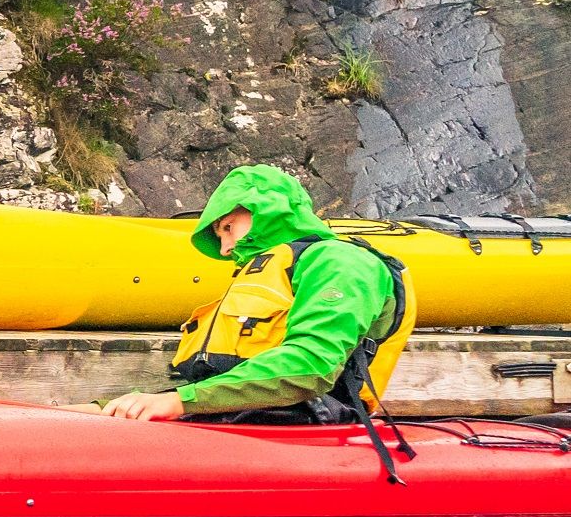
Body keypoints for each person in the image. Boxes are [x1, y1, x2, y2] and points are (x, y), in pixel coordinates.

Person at [101, 164, 414, 422]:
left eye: (228, 228)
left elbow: (310, 367)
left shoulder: (340, 262)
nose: (225, 249)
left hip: (312, 426)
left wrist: (181, 401)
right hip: (232, 415)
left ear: (263, 210)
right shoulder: (267, 271)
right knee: (96, 412)